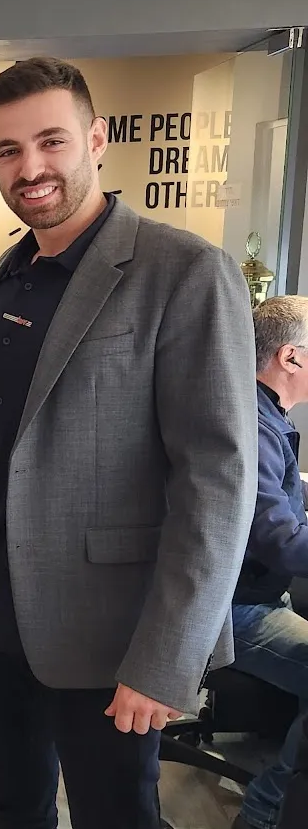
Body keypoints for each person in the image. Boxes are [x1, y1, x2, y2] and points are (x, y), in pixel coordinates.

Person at [0, 56, 257, 829]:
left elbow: (217, 479)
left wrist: (166, 657)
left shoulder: (185, 271)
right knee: (12, 807)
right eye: (8, 150)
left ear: (97, 139)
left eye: (51, 141)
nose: (30, 168)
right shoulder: (12, 270)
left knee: (115, 816)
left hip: (106, 637)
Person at [232, 296, 308, 829]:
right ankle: (266, 812)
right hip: (236, 610)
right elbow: (277, 540)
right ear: (291, 357)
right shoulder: (254, 427)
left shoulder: (266, 415)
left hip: (255, 593)